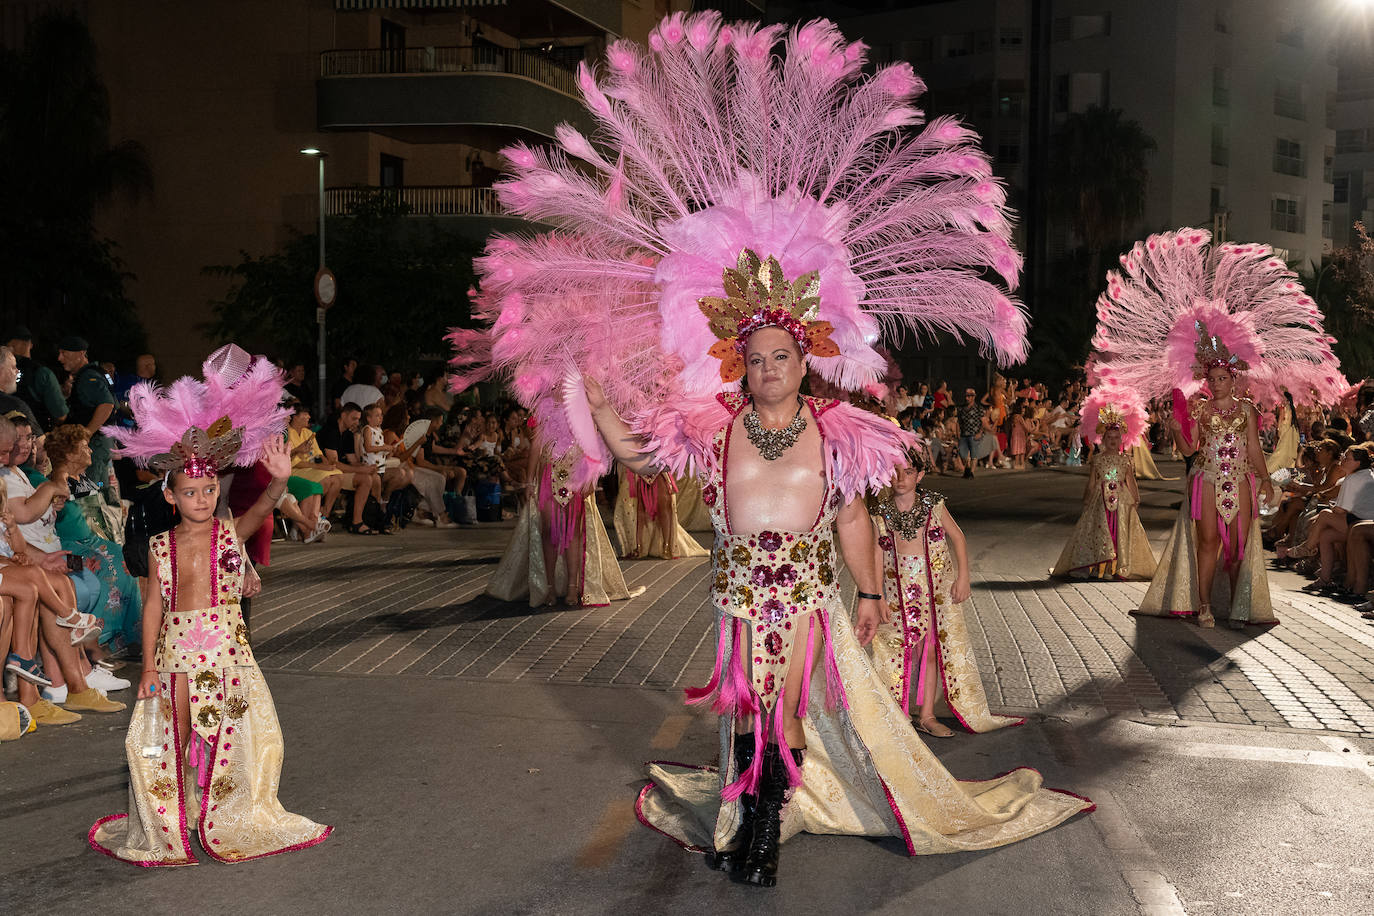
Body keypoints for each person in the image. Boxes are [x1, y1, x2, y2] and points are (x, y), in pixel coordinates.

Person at [458, 13, 1091, 887]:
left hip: (803, 594)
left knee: (784, 711)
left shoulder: (838, 432)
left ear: (806, 357)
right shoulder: (713, 426)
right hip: (736, 592)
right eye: (754, 360)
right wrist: (599, 401)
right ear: (737, 362)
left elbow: (850, 517)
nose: (766, 372)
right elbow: (641, 464)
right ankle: (755, 814)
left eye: (781, 359)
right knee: (748, 715)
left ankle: (760, 827)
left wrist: (868, 593)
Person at [90, 347, 330, 865]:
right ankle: (172, 821)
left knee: (227, 730)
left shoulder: (227, 534)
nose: (201, 499)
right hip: (176, 653)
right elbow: (154, 604)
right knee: (172, 735)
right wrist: (149, 664)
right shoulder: (160, 547)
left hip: (226, 648)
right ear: (171, 497)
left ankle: (224, 811)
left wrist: (281, 478)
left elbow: (264, 506)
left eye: (207, 490)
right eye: (190, 492)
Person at [1089, 229, 1343, 629]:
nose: (1219, 382)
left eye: (1225, 376)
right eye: (1214, 377)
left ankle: (1238, 608)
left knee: (1239, 548)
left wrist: (1265, 481)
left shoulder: (1247, 411)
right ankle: (1204, 605)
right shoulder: (1202, 411)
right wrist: (1175, 429)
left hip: (1239, 479)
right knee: (1207, 543)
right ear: (1207, 378)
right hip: (1206, 480)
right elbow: (1190, 450)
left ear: (1234, 377)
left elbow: (1255, 450)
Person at [868, 444, 1022, 735]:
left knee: (929, 649)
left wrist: (963, 578)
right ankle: (897, 713)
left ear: (921, 474)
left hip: (933, 592)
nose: (901, 477)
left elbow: (958, 538)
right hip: (896, 591)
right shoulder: (881, 513)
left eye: (909, 471)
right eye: (895, 471)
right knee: (897, 649)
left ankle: (926, 715)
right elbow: (877, 553)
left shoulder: (933, 506)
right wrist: (876, 595)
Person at [487, 440, 645, 607]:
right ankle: (549, 587)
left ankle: (572, 587)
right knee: (548, 531)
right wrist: (529, 481)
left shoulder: (586, 413)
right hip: (549, 476)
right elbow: (536, 445)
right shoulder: (545, 414)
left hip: (577, 474)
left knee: (573, 532)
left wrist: (592, 478)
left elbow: (593, 442)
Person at [1051, 390, 1157, 581]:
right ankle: (1099, 567)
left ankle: (1114, 567)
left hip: (1122, 501)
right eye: (1109, 438)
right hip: (1100, 500)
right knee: (1100, 531)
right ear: (1103, 439)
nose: (1112, 441)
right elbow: (1092, 481)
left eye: (1116, 438)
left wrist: (1136, 498)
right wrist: (1087, 498)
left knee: (1118, 532)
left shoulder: (1125, 460)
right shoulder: (1098, 459)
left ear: (1121, 439)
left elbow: (1130, 481)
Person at [316, 403, 383, 535]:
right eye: (354, 419)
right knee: (365, 478)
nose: (357, 422)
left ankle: (367, 519)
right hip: (325, 471)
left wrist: (365, 467)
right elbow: (334, 464)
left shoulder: (347, 434)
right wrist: (361, 470)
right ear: (343, 415)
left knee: (373, 477)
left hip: (338, 472)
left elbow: (353, 461)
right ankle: (357, 521)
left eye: (358, 419)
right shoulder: (331, 430)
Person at [57, 336, 116, 484]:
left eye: (65, 353)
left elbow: (107, 405)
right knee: (101, 487)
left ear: (81, 353)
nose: (60, 358)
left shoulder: (88, 377)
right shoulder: (94, 373)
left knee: (89, 489)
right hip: (100, 443)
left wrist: (86, 434)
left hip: (94, 444)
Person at [6, 327, 68, 431]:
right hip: (36, 437)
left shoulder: (3, 370)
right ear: (30, 344)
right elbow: (60, 415)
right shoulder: (42, 373)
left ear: (10, 346)